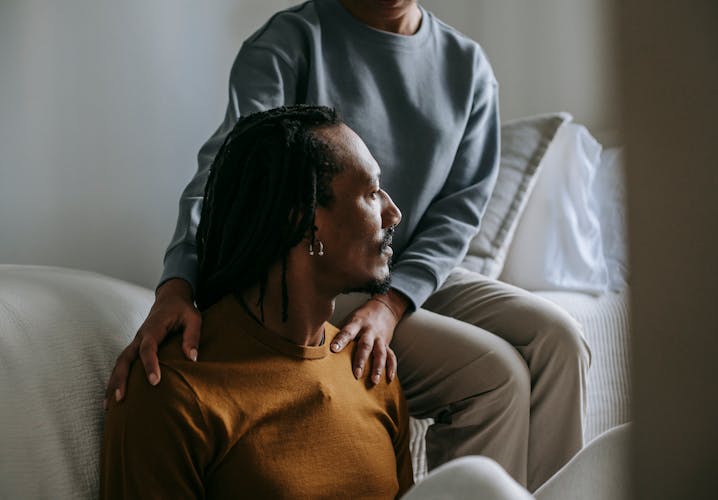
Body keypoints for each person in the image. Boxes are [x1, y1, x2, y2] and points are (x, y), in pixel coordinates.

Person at [105, 0, 590, 490]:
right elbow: (231, 171)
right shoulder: (291, 41)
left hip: (408, 271)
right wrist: (177, 283)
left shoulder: (469, 67)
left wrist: (393, 303)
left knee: (559, 340)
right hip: (331, 268)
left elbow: (458, 212)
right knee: (495, 375)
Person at [99, 105, 536, 500]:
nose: (393, 213)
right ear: (303, 221)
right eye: (370, 193)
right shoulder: (173, 388)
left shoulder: (371, 368)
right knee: (481, 483)